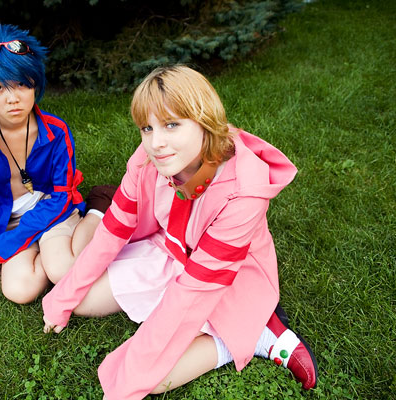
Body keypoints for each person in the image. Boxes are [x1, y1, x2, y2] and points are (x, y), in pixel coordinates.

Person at [42, 65, 318, 398]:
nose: (156, 143)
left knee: (154, 379)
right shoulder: (147, 157)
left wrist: (127, 383)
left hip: (226, 280)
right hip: (170, 251)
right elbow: (112, 230)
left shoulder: (244, 191)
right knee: (82, 301)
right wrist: (62, 298)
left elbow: (195, 290)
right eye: (147, 128)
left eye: (172, 124)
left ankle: (255, 333)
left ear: (204, 121)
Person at [0, 24, 114, 304]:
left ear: (35, 83)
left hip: (51, 208)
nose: (13, 98)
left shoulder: (57, 131)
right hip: (6, 222)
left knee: (62, 270)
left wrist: (16, 239)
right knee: (19, 291)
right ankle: (50, 248)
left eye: (22, 84)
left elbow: (60, 196)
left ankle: (98, 208)